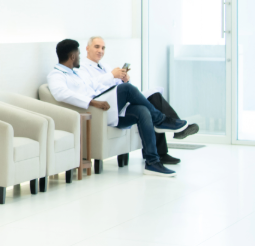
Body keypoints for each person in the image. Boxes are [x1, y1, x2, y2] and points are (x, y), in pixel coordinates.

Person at [47, 39, 181, 177]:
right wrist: (92, 102)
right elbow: (61, 94)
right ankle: (161, 120)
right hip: (96, 112)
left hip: (106, 108)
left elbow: (95, 84)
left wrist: (115, 78)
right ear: (73, 56)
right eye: (79, 54)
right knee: (127, 89)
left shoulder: (77, 73)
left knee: (143, 111)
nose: (80, 57)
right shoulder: (56, 75)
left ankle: (152, 162)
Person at [79, 36, 198, 166]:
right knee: (130, 90)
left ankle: (161, 153)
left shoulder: (105, 66)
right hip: (104, 106)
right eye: (97, 47)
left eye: (103, 48)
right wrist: (113, 76)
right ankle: (164, 122)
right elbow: (91, 87)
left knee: (154, 97)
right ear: (87, 48)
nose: (100, 50)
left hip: (117, 102)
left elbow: (113, 85)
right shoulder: (82, 68)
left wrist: (123, 79)